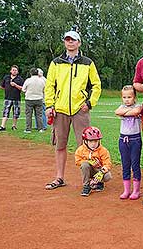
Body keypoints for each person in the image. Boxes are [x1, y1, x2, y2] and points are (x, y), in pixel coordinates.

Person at [44, 29, 102, 190]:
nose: (70, 42)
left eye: (73, 40)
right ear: (64, 42)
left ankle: (91, 180)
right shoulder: (56, 62)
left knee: (86, 146)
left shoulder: (87, 63)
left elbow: (96, 85)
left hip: (80, 110)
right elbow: (49, 85)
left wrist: (90, 103)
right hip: (60, 109)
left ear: (79, 43)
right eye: (67, 40)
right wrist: (49, 105)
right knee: (60, 145)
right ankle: (59, 177)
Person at [115, 85, 142, 200]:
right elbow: (117, 111)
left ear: (134, 97)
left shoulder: (139, 106)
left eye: (129, 97)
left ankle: (136, 190)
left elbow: (136, 111)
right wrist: (128, 112)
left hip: (135, 139)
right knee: (125, 164)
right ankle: (126, 190)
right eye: (124, 97)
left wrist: (125, 113)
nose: (127, 99)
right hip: (123, 139)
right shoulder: (121, 106)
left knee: (135, 164)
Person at [75, 126, 112, 197]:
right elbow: (77, 161)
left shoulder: (103, 150)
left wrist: (101, 172)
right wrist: (88, 161)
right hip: (88, 169)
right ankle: (86, 185)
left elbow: (107, 163)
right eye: (91, 141)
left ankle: (99, 183)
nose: (93, 143)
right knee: (84, 165)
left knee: (108, 176)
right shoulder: (80, 150)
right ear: (85, 141)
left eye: (96, 141)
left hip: (98, 170)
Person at [0, 65, 24, 131]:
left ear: (17, 72)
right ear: (10, 71)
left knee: (16, 113)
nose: (14, 71)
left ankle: (14, 126)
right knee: (5, 112)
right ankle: (2, 126)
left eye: (16, 70)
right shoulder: (6, 77)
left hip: (16, 98)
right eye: (13, 70)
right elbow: (1, 86)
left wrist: (15, 85)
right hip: (7, 98)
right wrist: (7, 89)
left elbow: (23, 88)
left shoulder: (20, 79)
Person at [22, 68, 46, 133]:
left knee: (28, 114)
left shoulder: (28, 80)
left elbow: (23, 89)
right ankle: (40, 128)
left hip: (29, 99)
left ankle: (28, 129)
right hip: (39, 99)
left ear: (31, 73)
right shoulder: (42, 81)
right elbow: (44, 90)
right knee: (39, 114)